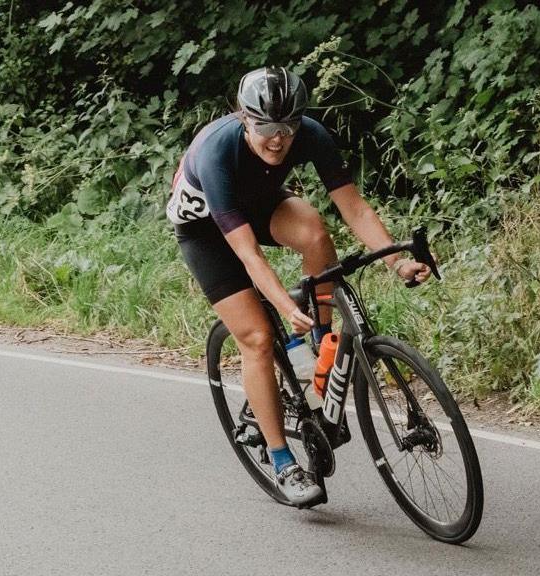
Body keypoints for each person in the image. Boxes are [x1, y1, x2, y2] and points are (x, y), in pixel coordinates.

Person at [166, 66, 430, 504]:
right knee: (256, 337)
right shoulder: (217, 151)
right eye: (265, 126)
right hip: (207, 232)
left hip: (258, 203)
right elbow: (248, 255)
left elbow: (355, 208)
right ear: (243, 118)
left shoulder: (310, 134)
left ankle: (322, 349)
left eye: (287, 126)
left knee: (316, 233)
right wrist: (285, 309)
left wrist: (395, 262)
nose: (278, 138)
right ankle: (283, 461)